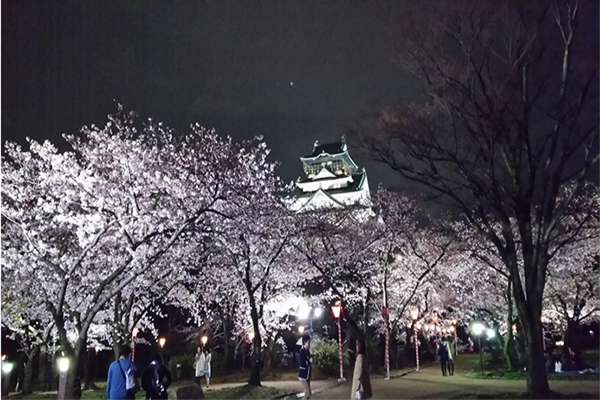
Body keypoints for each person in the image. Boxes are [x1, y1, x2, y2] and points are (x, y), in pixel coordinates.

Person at [297, 335, 312, 399]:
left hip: (307, 374)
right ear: (305, 342)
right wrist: (308, 360)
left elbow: (310, 361)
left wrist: (311, 355)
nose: (309, 344)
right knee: (307, 392)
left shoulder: (307, 351)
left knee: (309, 393)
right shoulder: (302, 351)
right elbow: (303, 362)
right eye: (308, 342)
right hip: (303, 374)